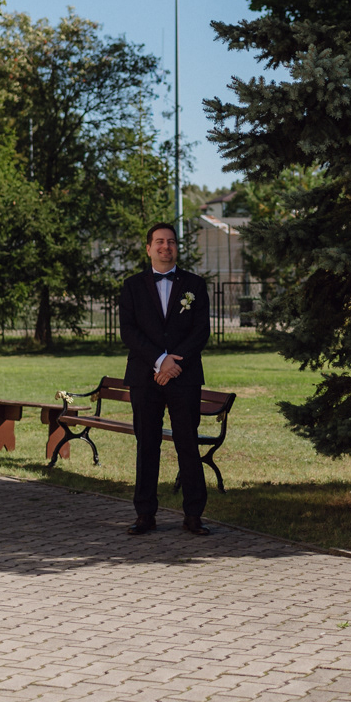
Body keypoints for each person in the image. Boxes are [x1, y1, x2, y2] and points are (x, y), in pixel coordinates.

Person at [117, 222, 210, 536]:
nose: (165, 247)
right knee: (147, 444)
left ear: (176, 248)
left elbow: (201, 331)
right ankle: (145, 514)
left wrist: (174, 363)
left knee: (188, 444)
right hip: (145, 376)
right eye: (159, 241)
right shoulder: (132, 286)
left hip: (184, 375)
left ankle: (194, 515)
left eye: (170, 242)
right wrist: (159, 361)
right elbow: (128, 331)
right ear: (148, 248)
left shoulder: (195, 285)